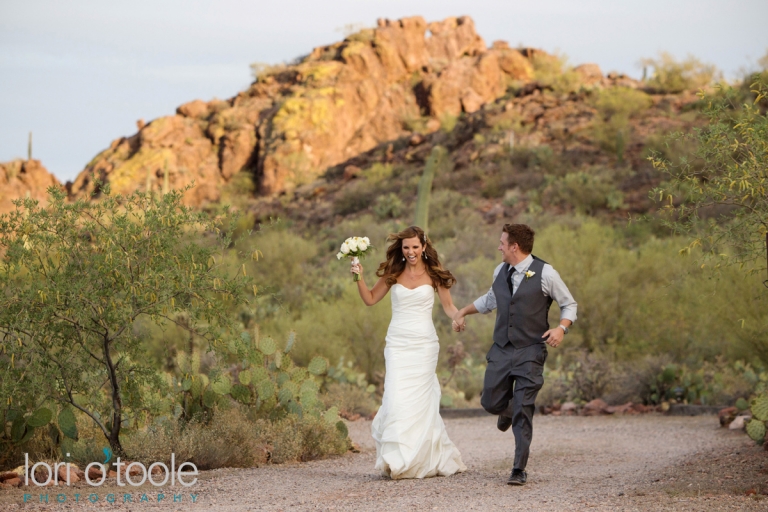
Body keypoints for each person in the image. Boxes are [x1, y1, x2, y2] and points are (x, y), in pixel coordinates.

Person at [453, 223, 577, 486]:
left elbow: (569, 304)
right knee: (489, 401)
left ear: (514, 247)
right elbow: (490, 300)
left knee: (523, 408)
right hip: (501, 349)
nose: (498, 246)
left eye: (502, 242)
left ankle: (518, 468)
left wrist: (561, 329)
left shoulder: (546, 273)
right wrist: (462, 311)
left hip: (531, 350)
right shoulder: (500, 270)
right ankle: (507, 411)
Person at [350, 225, 466, 479]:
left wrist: (458, 318)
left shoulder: (434, 275)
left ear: (423, 247)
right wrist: (358, 276)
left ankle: (418, 458)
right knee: (395, 397)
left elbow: (448, 306)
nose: (411, 251)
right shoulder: (394, 272)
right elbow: (370, 299)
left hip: (424, 345)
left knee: (420, 402)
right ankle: (397, 458)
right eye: (406, 247)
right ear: (400, 249)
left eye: (415, 246)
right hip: (398, 344)